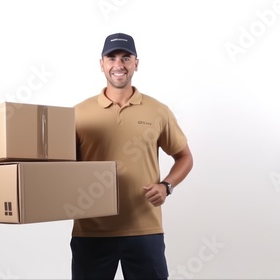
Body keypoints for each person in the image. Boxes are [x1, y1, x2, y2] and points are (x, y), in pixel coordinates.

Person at [71, 32, 194, 280]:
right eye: (112, 57)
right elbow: (61, 168)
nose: (119, 65)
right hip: (91, 231)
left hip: (144, 230)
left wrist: (166, 186)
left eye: (126, 58)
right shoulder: (78, 113)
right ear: (101, 64)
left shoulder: (158, 111)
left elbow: (185, 157)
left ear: (136, 63)